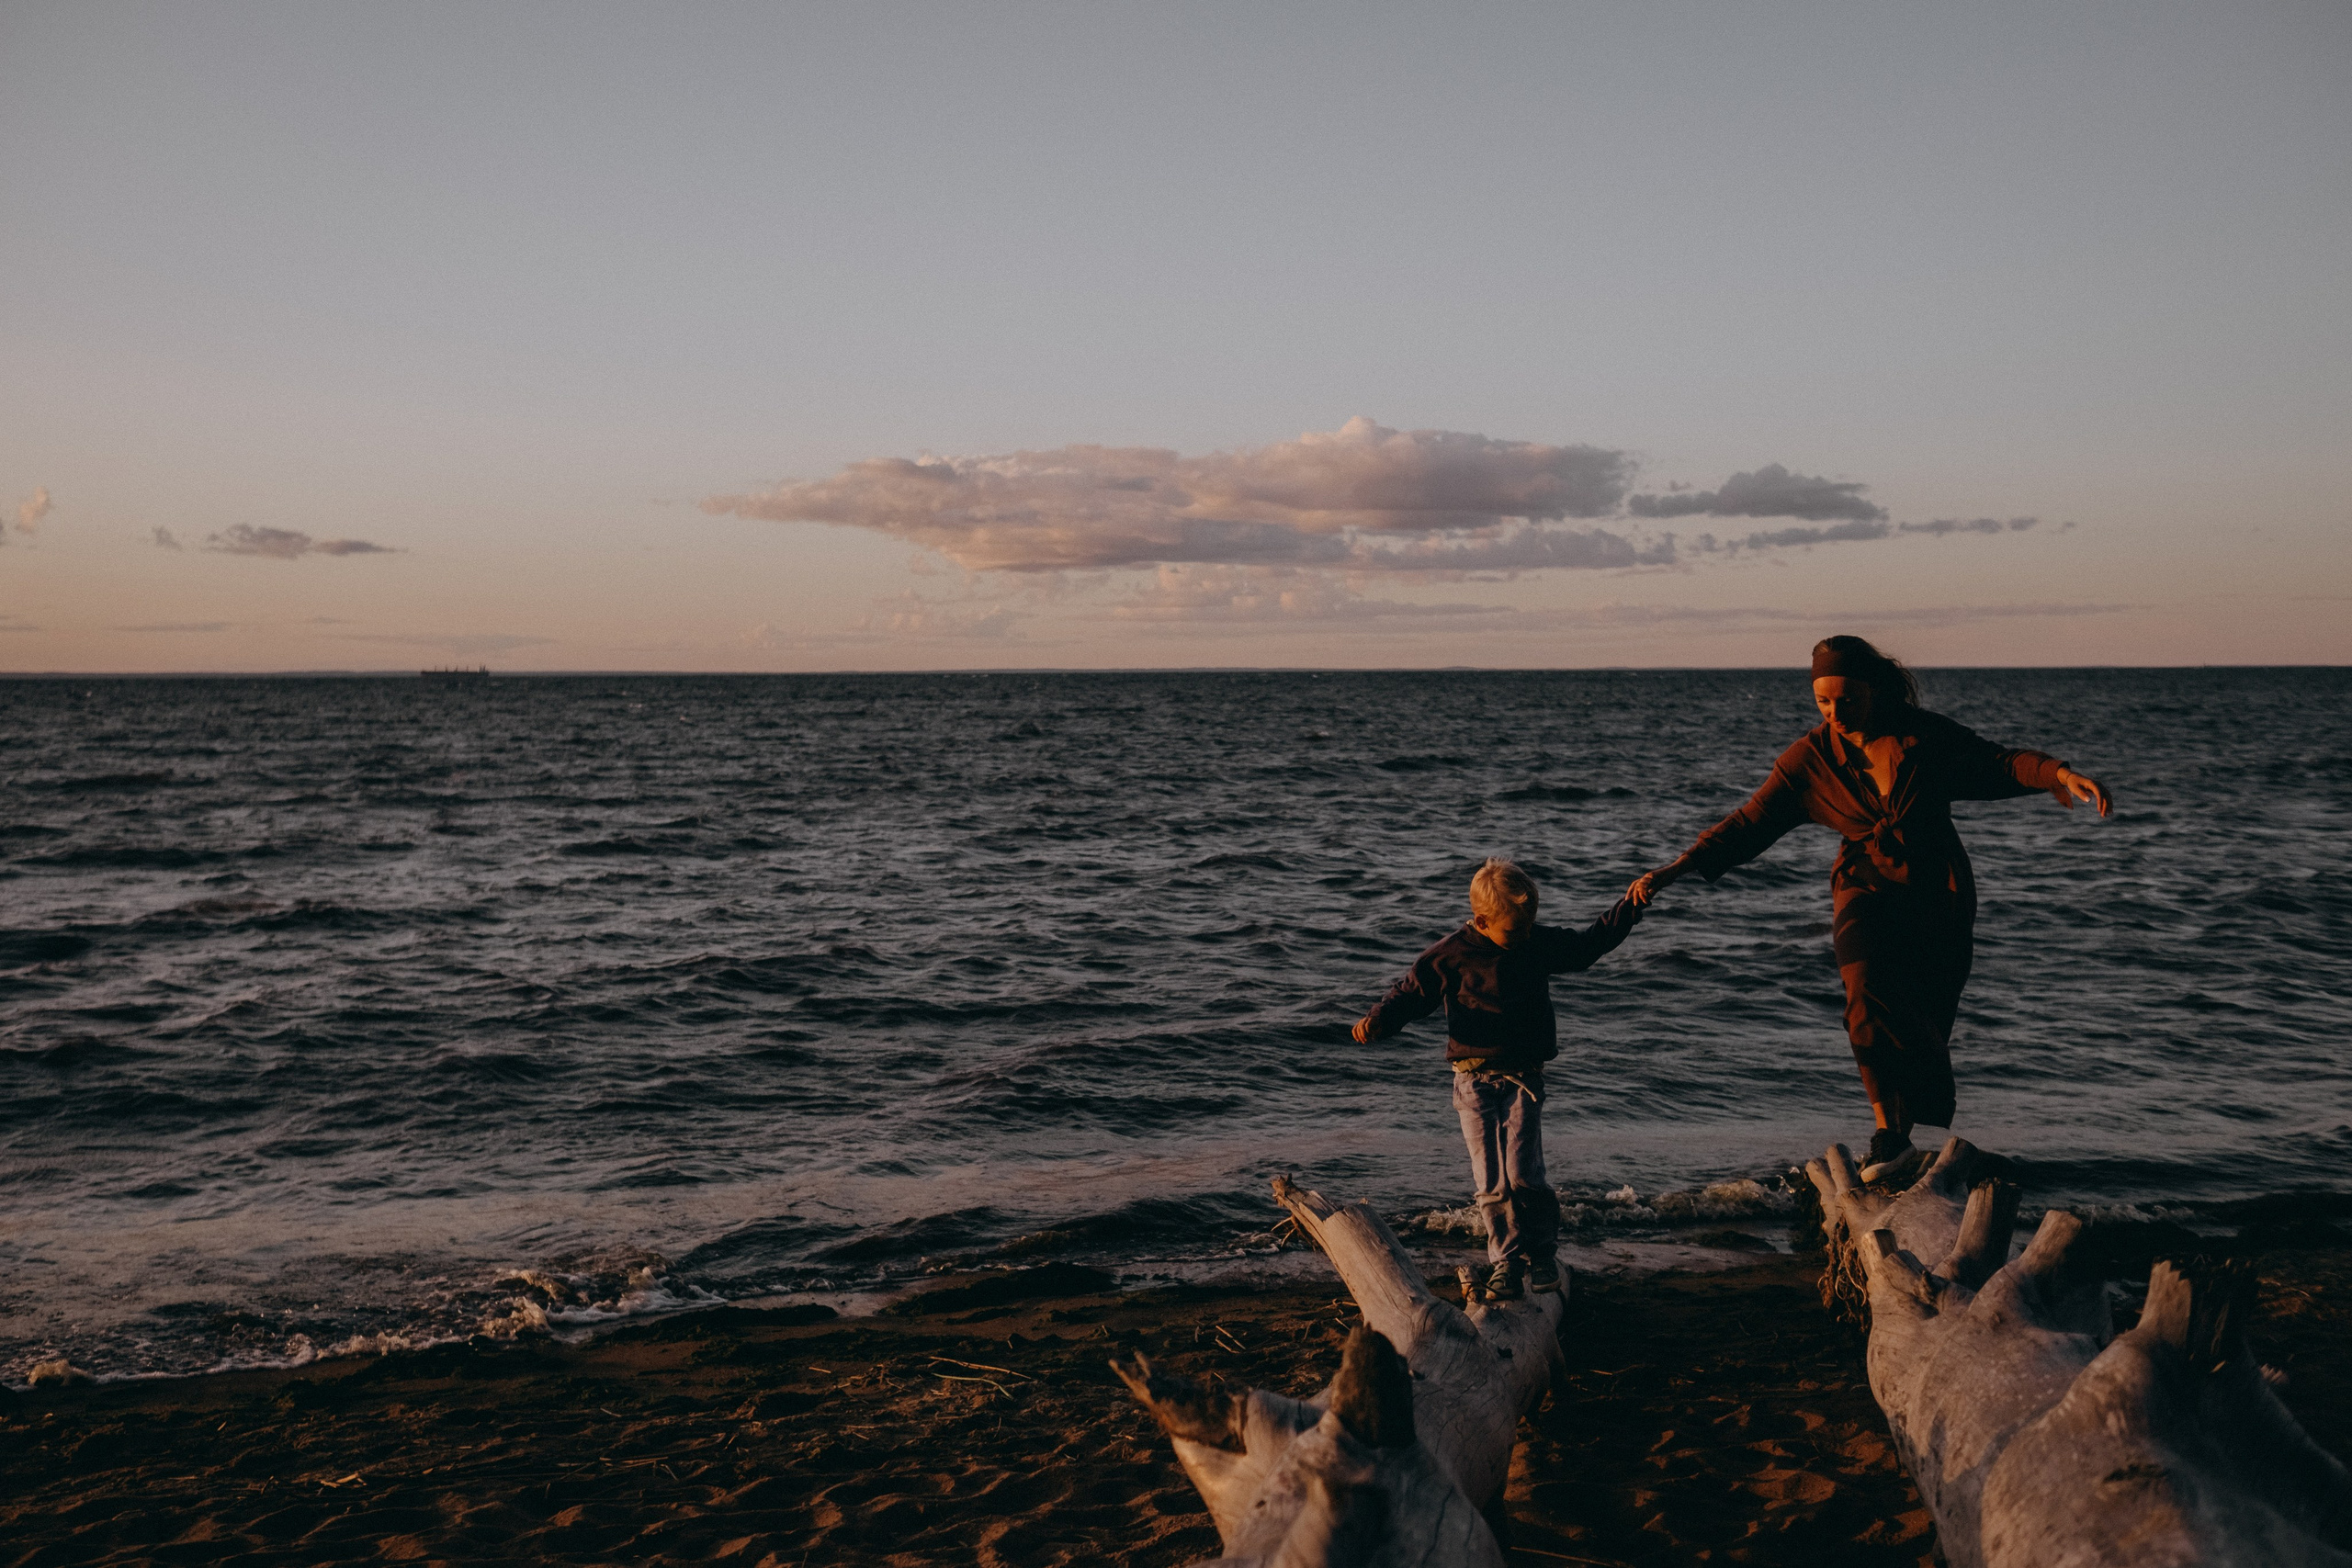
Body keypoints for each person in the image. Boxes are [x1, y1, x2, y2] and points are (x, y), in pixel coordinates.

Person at [1631, 636, 2111, 1174]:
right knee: (1864, 993)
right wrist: (1678, 867)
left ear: (1875, 690)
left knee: (1919, 1013)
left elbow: (1996, 762)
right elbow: (1749, 824)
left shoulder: (1921, 736)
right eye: (1824, 702)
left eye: (1847, 699)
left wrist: (2058, 774)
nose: (1835, 713)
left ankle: (1901, 1139)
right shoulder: (1808, 760)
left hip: (1937, 888)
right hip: (1863, 884)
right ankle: (1887, 1131)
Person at [1351, 857, 1645, 1301]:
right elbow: (1411, 995)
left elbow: (1588, 947)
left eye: (1529, 927)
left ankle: (1543, 1253)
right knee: (1491, 1182)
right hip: (1472, 1084)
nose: (1523, 937)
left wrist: (1631, 905)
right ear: (1483, 920)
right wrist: (1377, 1021)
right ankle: (1505, 1262)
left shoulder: (1532, 942)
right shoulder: (1450, 955)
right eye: (1514, 930)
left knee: (1525, 1174)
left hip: (1523, 1080)